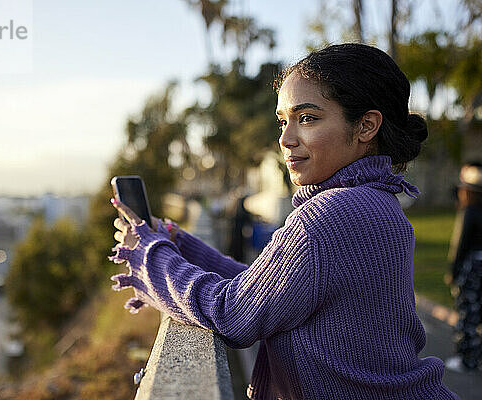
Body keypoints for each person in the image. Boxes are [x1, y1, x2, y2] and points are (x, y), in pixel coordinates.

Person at [109, 43, 459, 399]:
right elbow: (264, 290)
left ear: (366, 126)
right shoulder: (377, 202)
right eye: (283, 120)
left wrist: (150, 255)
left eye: (307, 118)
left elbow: (233, 314)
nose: (286, 139)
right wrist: (177, 243)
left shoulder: (331, 214)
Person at [446, 162, 482, 372]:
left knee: (468, 312)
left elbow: (460, 244)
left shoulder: (470, 212)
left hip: (473, 267)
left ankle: (467, 359)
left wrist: (453, 272)